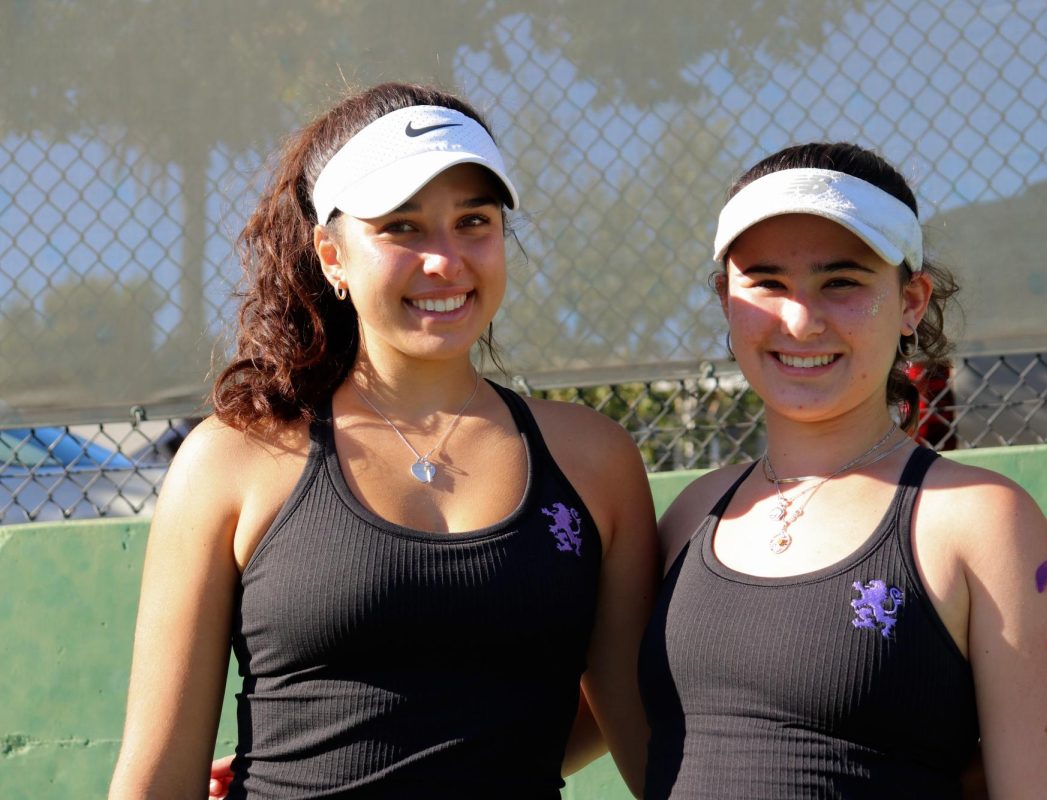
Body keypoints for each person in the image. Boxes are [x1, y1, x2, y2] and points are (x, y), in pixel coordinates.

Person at [109, 82, 657, 800]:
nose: (445, 260)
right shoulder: (232, 460)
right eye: (401, 227)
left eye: (474, 221)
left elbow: (641, 731)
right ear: (332, 256)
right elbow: (155, 776)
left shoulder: (597, 463)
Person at [637, 142, 1047, 798]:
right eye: (766, 282)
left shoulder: (981, 520)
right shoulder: (688, 517)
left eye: (842, 283)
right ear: (724, 300)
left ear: (912, 301)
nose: (799, 321)